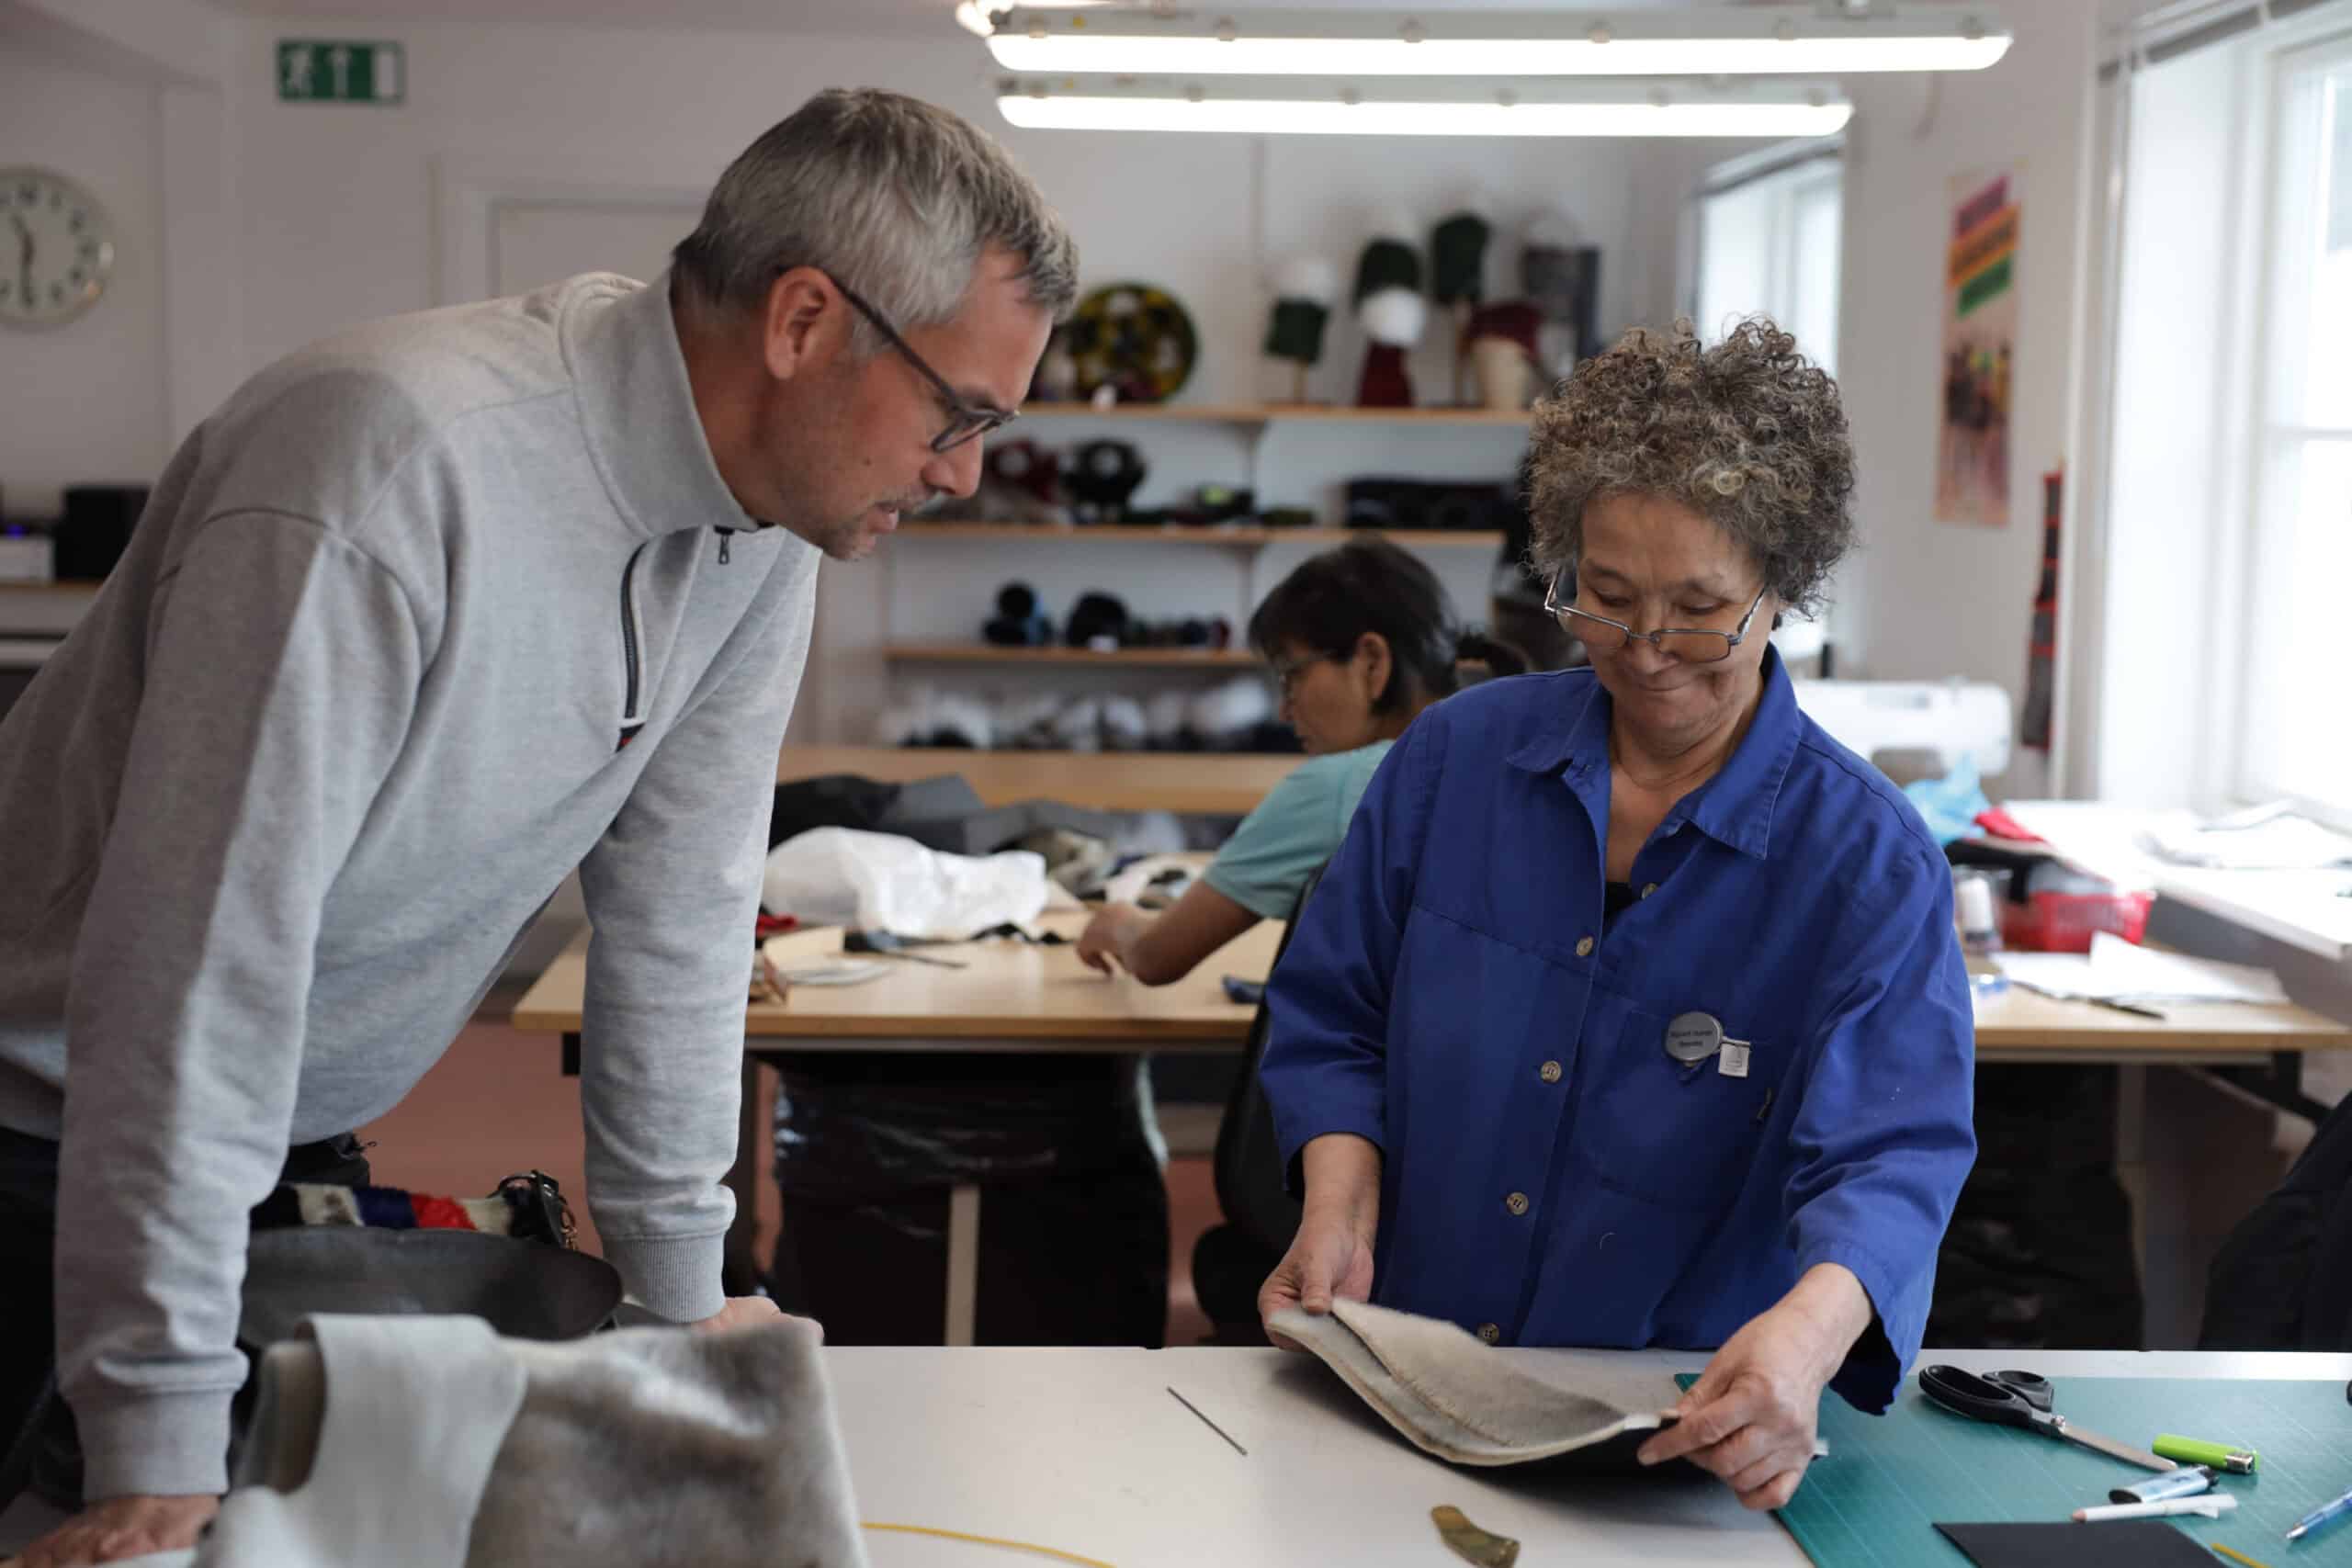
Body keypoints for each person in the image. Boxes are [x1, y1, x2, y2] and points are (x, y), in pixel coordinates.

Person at [0, 87, 1074, 1566]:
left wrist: (679, 1300)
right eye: (959, 413)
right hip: (49, 1109)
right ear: (807, 320)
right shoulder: (387, 466)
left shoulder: (760, 535)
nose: (959, 470)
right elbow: (197, 967)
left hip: (253, 1137)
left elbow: (686, 921)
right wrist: (158, 1425)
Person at [1255, 317, 1976, 1512]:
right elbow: (1335, 1010)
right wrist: (1335, 1198)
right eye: (1605, 594)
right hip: (1405, 1386)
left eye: (1699, 607)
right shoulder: (1451, 763)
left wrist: (1802, 1339)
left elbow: (1889, 1156)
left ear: (1782, 589)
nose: (1645, 649)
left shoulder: (1867, 862)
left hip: (1673, 1427)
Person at [1076, 537, 1523, 986]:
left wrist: (1119, 923)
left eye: (1292, 675)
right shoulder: (1510, 760)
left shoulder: (1346, 784)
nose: (1284, 711)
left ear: (1371, 663)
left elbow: (1156, 958)